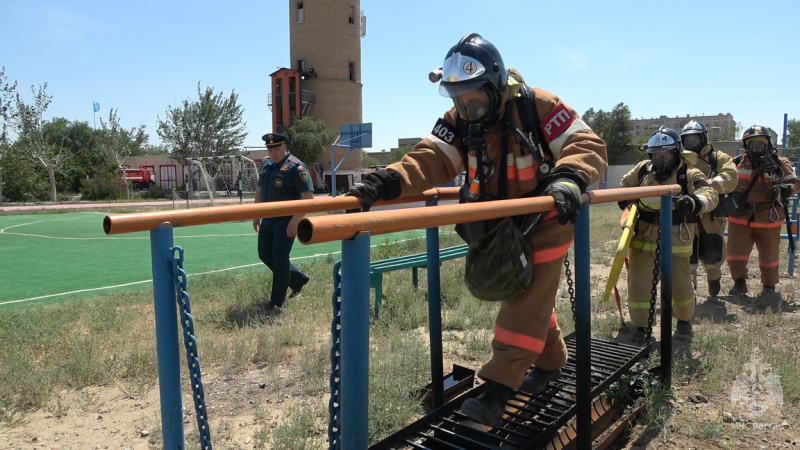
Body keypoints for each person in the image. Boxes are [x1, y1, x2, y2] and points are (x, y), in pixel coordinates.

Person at [347, 33, 608, 427]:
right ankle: (552, 361)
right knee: (529, 297)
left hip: (545, 220)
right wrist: (384, 183)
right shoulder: (459, 122)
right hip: (495, 229)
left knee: (523, 302)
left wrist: (569, 178)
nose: (466, 107)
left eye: (474, 98)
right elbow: (430, 158)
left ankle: (496, 391)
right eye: (458, 99)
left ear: (496, 84)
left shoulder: (539, 106)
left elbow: (587, 143)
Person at [618, 127, 718, 343]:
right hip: (643, 238)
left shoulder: (688, 173)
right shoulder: (643, 170)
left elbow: (709, 194)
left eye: (666, 155)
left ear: (677, 153)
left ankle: (684, 322)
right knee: (639, 285)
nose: (661, 160)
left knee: (681, 284)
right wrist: (624, 199)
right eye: (657, 155)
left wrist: (694, 202)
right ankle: (641, 326)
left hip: (676, 238)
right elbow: (624, 185)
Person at [726, 125, 800, 297]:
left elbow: (796, 184)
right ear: (746, 146)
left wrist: (782, 190)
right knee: (735, 254)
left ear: (768, 144)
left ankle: (769, 286)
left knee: (769, 255)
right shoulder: (736, 163)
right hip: (740, 216)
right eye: (752, 144)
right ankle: (739, 282)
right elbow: (723, 179)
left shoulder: (779, 163)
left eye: (760, 143)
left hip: (768, 216)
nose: (756, 148)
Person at [253, 133, 314, 311]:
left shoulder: (297, 167)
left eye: (277, 149)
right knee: (264, 253)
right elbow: (260, 190)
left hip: (286, 220)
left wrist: (296, 220)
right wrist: (255, 214)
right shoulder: (266, 164)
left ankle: (276, 303)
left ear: (285, 147)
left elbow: (308, 197)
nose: (274, 153)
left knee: (280, 258)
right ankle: (297, 279)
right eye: (270, 149)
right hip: (268, 218)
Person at [680, 120, 738, 297]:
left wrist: (705, 185)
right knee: (687, 252)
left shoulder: (718, 157)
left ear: (703, 138)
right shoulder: (679, 158)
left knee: (712, 252)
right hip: (688, 212)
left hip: (712, 214)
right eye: (687, 140)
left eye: (695, 139)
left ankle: (714, 278)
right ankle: (690, 291)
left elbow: (731, 178)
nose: (691, 143)